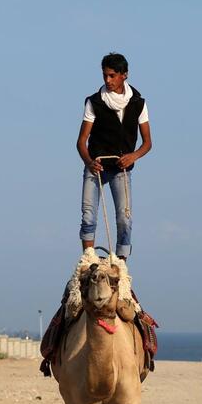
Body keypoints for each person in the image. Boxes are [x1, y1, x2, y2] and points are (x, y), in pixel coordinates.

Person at [76, 53, 152, 260]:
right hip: (97, 167)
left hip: (122, 169)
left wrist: (133, 156)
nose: (107, 81)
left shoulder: (138, 103)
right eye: (105, 76)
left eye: (112, 76)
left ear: (124, 75)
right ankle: (88, 260)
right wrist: (89, 162)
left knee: (124, 219)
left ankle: (121, 264)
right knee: (89, 216)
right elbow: (81, 141)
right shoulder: (94, 102)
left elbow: (147, 143)